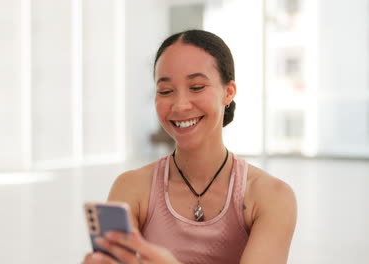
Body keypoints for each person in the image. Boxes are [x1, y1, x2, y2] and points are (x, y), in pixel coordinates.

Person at [83, 29, 297, 264]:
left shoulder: (271, 197)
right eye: (165, 91)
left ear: (228, 92)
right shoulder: (131, 188)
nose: (180, 105)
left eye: (196, 87)